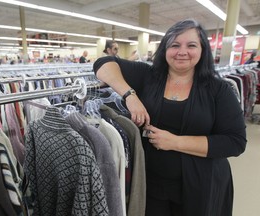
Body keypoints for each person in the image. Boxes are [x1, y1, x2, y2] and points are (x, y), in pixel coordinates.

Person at [93, 19, 246, 216]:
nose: (182, 51)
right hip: (152, 185)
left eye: (191, 45)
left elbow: (235, 142)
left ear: (202, 50)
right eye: (175, 45)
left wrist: (175, 142)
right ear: (165, 49)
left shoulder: (219, 89)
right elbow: (102, 64)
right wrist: (130, 96)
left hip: (201, 186)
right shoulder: (148, 75)